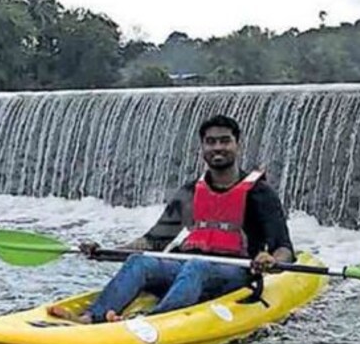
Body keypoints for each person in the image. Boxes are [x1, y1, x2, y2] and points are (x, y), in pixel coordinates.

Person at [50, 113, 295, 323]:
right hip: (187, 267)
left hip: (236, 272)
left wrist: (270, 259)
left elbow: (284, 248)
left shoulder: (260, 193)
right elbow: (154, 241)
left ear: (237, 145)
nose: (217, 147)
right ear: (202, 148)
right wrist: (105, 252)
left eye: (224, 141)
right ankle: (91, 317)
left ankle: (152, 322)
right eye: (210, 142)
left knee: (197, 266)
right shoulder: (191, 191)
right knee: (140, 261)